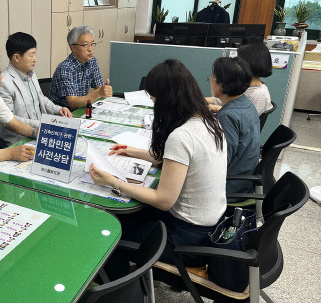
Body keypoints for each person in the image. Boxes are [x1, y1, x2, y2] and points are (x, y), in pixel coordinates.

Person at [89, 59, 227, 279]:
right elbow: (177, 160)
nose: (154, 105)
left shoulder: (182, 136)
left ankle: (118, 290)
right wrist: (133, 151)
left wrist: (114, 182)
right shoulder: (209, 120)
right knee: (131, 209)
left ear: (167, 100)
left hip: (185, 239)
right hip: (209, 227)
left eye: (154, 99)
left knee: (109, 228)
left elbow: (163, 200)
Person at [0, 32, 72, 145]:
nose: (35, 59)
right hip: (17, 141)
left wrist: (58, 109)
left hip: (38, 133)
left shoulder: (31, 74)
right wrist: (40, 124)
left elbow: (41, 99)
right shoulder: (4, 82)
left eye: (35, 54)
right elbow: (10, 120)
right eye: (31, 55)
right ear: (16, 57)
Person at [211, 57, 260, 195]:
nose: (210, 81)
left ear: (222, 85)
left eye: (213, 78)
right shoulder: (246, 103)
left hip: (229, 187)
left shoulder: (227, 116)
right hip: (243, 178)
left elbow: (220, 161)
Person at [48, 25, 113, 110]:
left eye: (92, 44)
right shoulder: (65, 69)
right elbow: (73, 103)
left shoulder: (92, 61)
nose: (90, 49)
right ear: (73, 48)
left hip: (81, 109)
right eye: (85, 45)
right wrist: (98, 93)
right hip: (62, 115)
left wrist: (104, 90)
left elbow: (99, 88)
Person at [207, 43, 273, 115]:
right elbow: (227, 100)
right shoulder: (245, 86)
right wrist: (201, 100)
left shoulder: (259, 94)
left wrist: (216, 108)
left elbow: (245, 117)